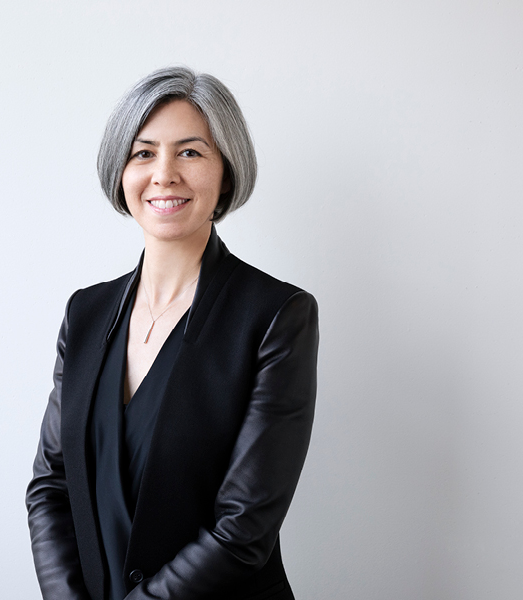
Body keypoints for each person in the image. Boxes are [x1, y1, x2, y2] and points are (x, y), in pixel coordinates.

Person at [26, 66, 319, 600]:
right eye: (143, 153)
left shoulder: (277, 315)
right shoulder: (86, 312)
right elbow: (51, 487)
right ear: (121, 171)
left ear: (226, 172)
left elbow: (242, 531)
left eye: (190, 152)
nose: (164, 174)